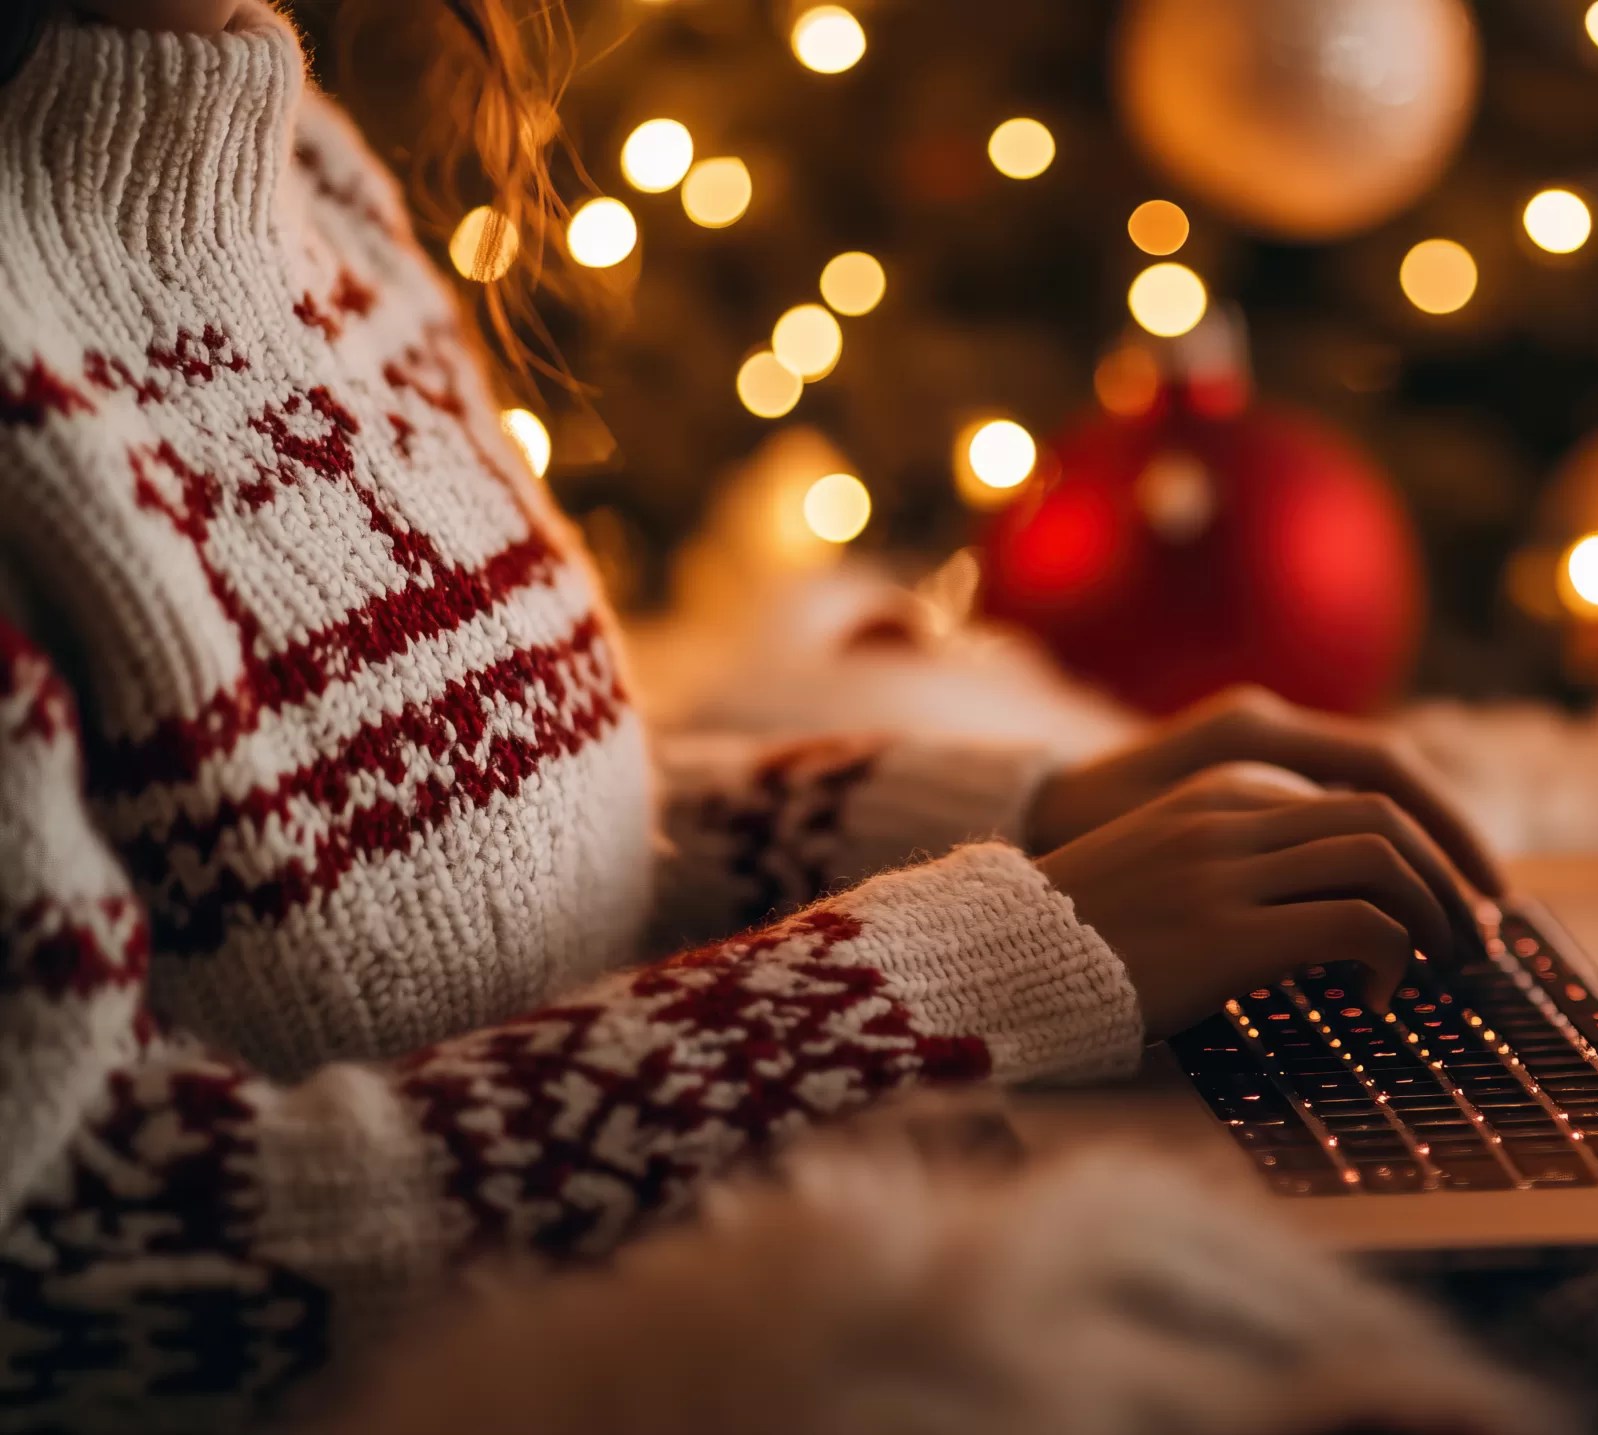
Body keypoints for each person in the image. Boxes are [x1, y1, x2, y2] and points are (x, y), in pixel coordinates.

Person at [0, 2, 1508, 1428]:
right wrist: (955, 965)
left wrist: (1030, 812)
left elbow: (467, 849)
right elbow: (62, 1271)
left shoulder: (285, 151)